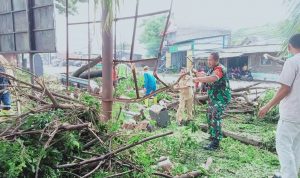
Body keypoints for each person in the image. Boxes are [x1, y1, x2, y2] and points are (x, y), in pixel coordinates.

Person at [258, 34, 300, 178]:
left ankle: (289, 175)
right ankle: (288, 174)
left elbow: (285, 88)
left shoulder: (292, 62)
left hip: (292, 113)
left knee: (283, 146)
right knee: (296, 147)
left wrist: (267, 106)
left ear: (289, 47)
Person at [193, 52, 231, 151]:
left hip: (221, 98)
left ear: (216, 60)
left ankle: (216, 143)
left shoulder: (220, 69)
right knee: (209, 115)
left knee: (215, 115)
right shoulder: (212, 69)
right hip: (214, 98)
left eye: (210, 60)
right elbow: (207, 76)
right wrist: (199, 74)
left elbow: (213, 78)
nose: (208, 62)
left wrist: (197, 79)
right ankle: (212, 136)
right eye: (208, 59)